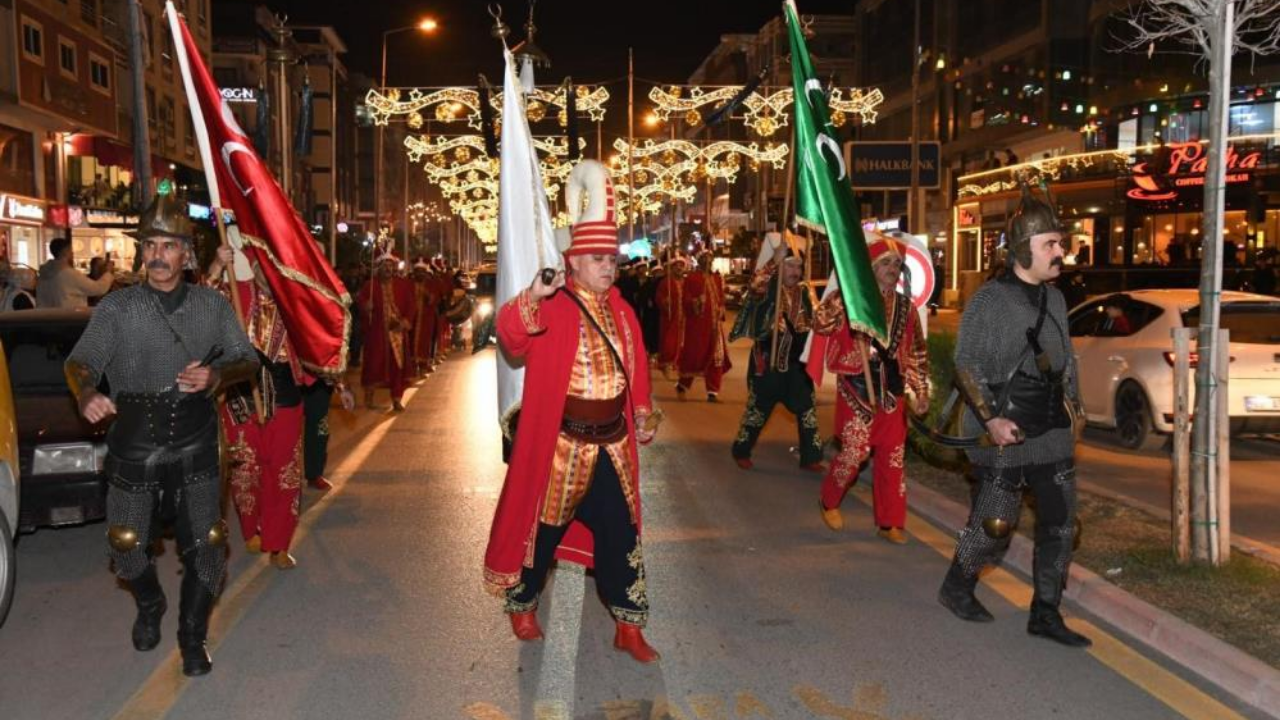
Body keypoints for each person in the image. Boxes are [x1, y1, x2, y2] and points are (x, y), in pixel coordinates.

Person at [64, 192, 259, 676]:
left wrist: (215, 378)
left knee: (208, 549)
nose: (157, 255)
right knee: (126, 547)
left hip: (194, 438)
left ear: (187, 254)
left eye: (168, 246)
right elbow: (79, 361)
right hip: (134, 438)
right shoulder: (118, 308)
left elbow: (246, 359)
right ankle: (149, 604)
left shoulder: (210, 305)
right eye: (150, 244)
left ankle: (192, 637)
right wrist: (86, 390)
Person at [483, 161, 661, 663]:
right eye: (599, 258)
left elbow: (637, 369)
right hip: (564, 448)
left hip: (613, 447)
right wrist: (532, 296)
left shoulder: (624, 312)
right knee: (541, 534)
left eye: (613, 259)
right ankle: (522, 605)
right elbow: (511, 336)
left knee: (622, 535)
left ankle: (629, 627)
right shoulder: (555, 306)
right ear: (575, 261)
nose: (609, 266)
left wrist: (643, 411)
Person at [936, 184, 1091, 648]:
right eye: (1051, 244)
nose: (1060, 252)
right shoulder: (990, 301)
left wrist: (1076, 411)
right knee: (995, 524)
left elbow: (1066, 362)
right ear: (1024, 250)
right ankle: (957, 586)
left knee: (1062, 525)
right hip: (1006, 425)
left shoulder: (1057, 300)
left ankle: (1045, 613)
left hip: (1051, 427)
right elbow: (967, 366)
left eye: (1060, 243)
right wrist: (990, 421)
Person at [812, 235, 929, 543]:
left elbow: (917, 351)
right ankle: (829, 500)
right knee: (854, 452)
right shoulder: (851, 300)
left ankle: (890, 521)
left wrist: (920, 391)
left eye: (896, 264)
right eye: (886, 263)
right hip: (857, 388)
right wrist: (841, 298)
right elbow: (820, 324)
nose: (893, 268)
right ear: (872, 268)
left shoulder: (907, 308)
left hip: (892, 391)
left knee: (892, 457)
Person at [207, 245, 308, 569]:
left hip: (284, 390)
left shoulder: (297, 303)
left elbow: (322, 345)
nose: (270, 273)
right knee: (245, 468)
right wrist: (216, 266)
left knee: (284, 470)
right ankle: (252, 528)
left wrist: (340, 383)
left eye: (277, 266)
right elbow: (198, 306)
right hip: (242, 392)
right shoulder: (236, 294)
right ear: (253, 265)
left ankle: (279, 543)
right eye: (264, 265)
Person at [729, 244, 823, 472]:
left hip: (797, 363)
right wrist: (772, 261)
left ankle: (811, 457)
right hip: (768, 360)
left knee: (807, 409)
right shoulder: (767, 289)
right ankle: (741, 450)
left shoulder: (804, 292)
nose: (795, 272)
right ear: (780, 266)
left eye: (798, 267)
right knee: (758, 410)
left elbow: (816, 319)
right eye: (790, 265)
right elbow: (753, 286)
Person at [357, 251, 416, 411]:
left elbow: (411, 305)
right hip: (377, 333)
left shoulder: (402, 285)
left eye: (390, 266)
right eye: (385, 266)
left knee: (398, 365)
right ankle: (369, 396)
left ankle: (397, 399)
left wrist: (405, 321)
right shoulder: (370, 285)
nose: (388, 269)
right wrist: (365, 306)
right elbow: (360, 300)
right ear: (379, 268)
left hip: (397, 332)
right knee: (374, 363)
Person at [676, 252, 732, 401]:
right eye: (705, 260)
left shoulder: (717, 278)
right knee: (694, 356)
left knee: (717, 357)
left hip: (715, 327)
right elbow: (686, 300)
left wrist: (721, 307)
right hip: (698, 327)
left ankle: (712, 392)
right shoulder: (692, 278)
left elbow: (720, 298)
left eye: (710, 260)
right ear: (700, 261)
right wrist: (696, 302)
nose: (708, 263)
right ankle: (682, 384)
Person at [36, 237, 114, 308]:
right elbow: (98, 289)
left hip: (47, 319)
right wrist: (108, 272)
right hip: (69, 319)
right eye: (71, 250)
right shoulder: (69, 274)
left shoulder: (43, 275)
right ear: (65, 251)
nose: (72, 253)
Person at [654, 257, 687, 373]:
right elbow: (658, 297)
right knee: (669, 341)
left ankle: (680, 362)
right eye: (676, 266)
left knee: (683, 340)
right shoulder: (665, 282)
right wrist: (664, 302)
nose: (679, 268)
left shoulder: (686, 282)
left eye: (681, 266)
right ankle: (667, 362)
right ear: (672, 268)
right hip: (670, 317)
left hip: (684, 317)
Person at [411, 258, 439, 375]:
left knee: (425, 342)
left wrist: (425, 293)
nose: (420, 273)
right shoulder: (409, 283)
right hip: (412, 318)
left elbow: (434, 299)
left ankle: (423, 365)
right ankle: (412, 367)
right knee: (410, 343)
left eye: (422, 271)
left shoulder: (430, 284)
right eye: (418, 271)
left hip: (425, 318)